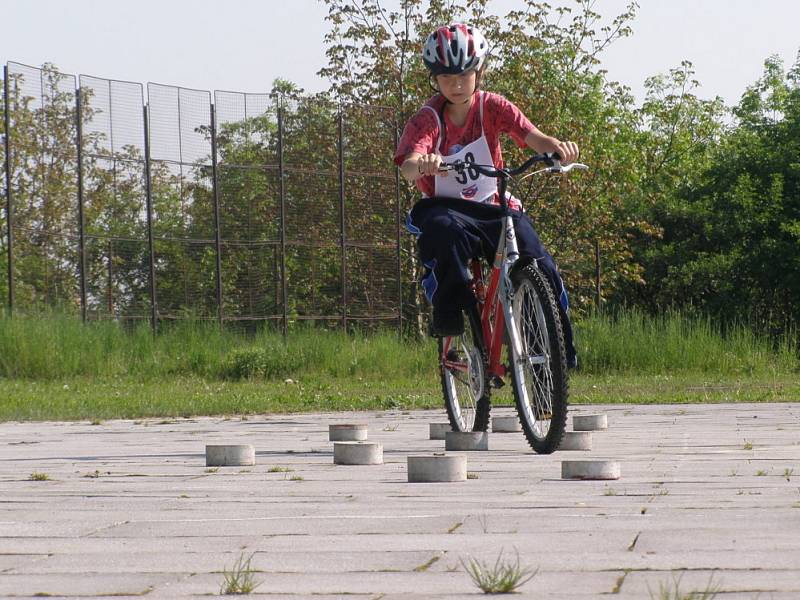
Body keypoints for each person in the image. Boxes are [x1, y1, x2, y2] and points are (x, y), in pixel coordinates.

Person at [394, 23, 579, 368]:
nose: (457, 84)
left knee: (539, 263)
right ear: (434, 79)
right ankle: (451, 310)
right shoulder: (427, 119)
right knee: (442, 233)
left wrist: (557, 148)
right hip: (447, 208)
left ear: (479, 71)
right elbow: (408, 164)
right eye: (447, 77)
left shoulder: (492, 107)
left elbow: (531, 135)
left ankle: (549, 365)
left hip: (493, 205)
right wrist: (423, 163)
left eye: (465, 75)